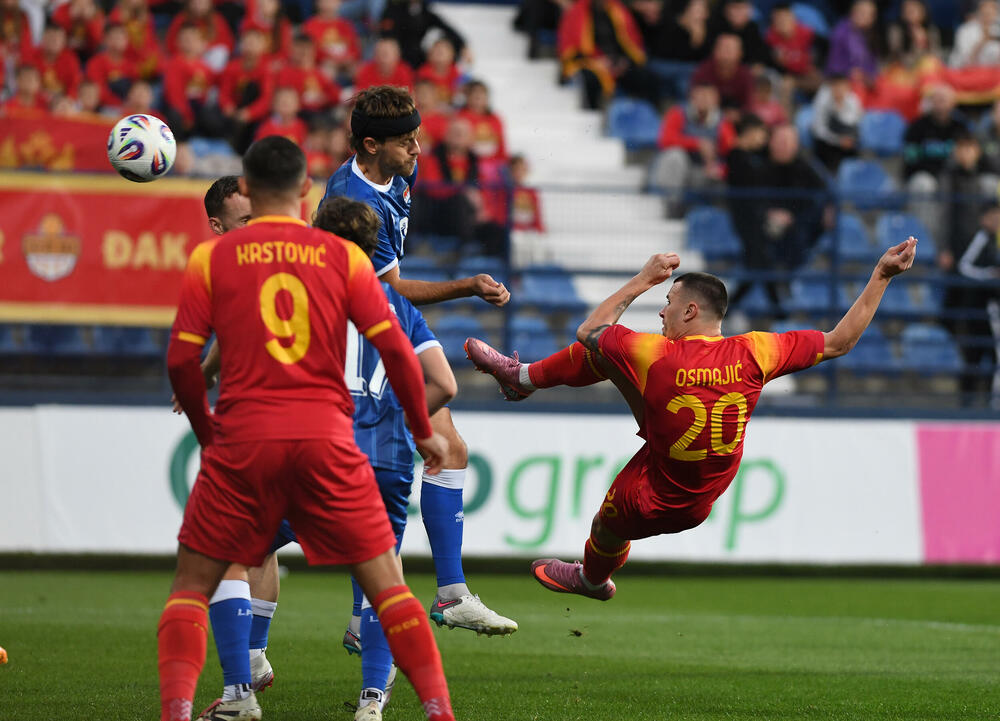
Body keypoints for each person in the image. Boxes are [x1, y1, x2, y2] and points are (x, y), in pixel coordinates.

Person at [160, 136, 455, 721]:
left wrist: (206, 429)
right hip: (329, 440)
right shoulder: (341, 258)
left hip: (244, 441)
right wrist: (422, 428)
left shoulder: (211, 260)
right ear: (303, 191)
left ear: (245, 190)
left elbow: (180, 363)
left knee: (195, 584)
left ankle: (192, 707)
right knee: (388, 587)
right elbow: (396, 352)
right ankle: (436, 709)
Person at [470, 240, 916, 601]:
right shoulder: (756, 350)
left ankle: (591, 579)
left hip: (660, 492)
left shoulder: (656, 354)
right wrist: (881, 275)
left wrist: (643, 279)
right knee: (608, 359)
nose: (661, 312)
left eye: (668, 303)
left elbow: (588, 330)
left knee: (607, 523)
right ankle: (521, 377)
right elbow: (839, 342)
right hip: (700, 482)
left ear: (689, 312)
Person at [322, 85, 518, 636]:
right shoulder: (353, 201)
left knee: (445, 449)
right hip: (363, 329)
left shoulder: (397, 177)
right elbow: (392, 292)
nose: (418, 149)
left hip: (385, 316)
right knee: (383, 474)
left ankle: (441, 596)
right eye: (406, 141)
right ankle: (377, 611)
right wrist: (469, 285)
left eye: (417, 136)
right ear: (369, 144)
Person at [810, 73, 863, 172]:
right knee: (822, 145)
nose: (839, 89)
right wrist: (838, 141)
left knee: (855, 145)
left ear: (847, 87)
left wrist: (840, 107)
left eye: (842, 86)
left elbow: (855, 124)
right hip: (827, 141)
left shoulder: (853, 100)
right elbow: (819, 129)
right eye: (836, 86)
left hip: (846, 140)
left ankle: (852, 175)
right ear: (831, 86)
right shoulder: (822, 99)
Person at [690, 33, 753, 113]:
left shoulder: (745, 74)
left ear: (740, 53)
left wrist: (738, 115)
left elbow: (749, 105)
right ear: (715, 51)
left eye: (730, 50)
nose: (726, 53)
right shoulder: (704, 70)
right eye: (723, 48)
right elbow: (694, 100)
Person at [950, 0, 1000, 69]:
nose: (988, 15)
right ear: (979, 12)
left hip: (992, 74)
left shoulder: (997, 29)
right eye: (985, 13)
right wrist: (982, 42)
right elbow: (964, 61)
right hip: (965, 72)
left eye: (991, 12)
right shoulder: (965, 30)